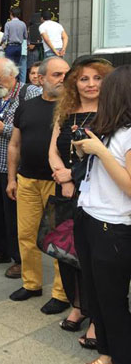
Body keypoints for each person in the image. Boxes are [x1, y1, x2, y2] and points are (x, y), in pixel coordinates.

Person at [48, 56, 113, 351]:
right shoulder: (65, 112)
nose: (90, 84)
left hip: (97, 193)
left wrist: (72, 177)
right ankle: (78, 306)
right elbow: (53, 149)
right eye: (84, 79)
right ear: (75, 82)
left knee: (94, 259)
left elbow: (107, 157)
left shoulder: (113, 113)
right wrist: (62, 176)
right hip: (65, 191)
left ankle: (97, 318)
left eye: (97, 78)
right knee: (67, 253)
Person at [71, 65, 131, 364]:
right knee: (96, 296)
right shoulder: (109, 129)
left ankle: (119, 356)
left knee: (112, 301)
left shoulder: (128, 135)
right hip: (89, 217)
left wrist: (102, 152)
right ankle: (106, 353)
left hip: (113, 226)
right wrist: (85, 151)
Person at [6, 57, 71, 314]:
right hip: (27, 181)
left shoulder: (72, 108)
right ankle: (31, 284)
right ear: (41, 79)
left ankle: (62, 293)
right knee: (26, 235)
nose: (63, 79)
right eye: (57, 74)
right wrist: (11, 179)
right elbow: (15, 144)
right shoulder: (26, 107)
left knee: (58, 239)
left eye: (66, 74)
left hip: (57, 184)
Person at [0, 57, 41, 277]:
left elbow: (35, 127)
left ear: (12, 74)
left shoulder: (29, 93)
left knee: (15, 216)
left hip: (14, 166)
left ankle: (21, 258)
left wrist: (5, 129)